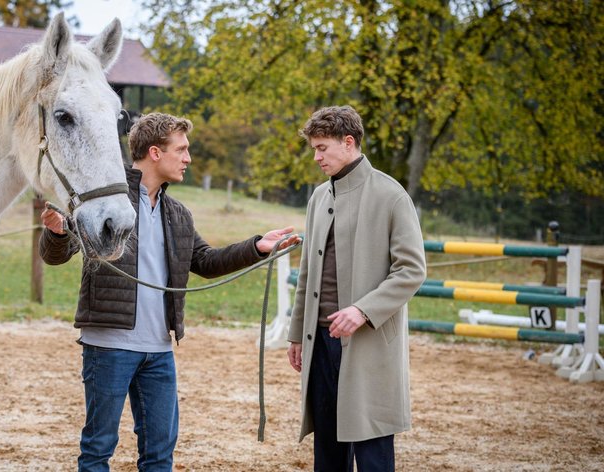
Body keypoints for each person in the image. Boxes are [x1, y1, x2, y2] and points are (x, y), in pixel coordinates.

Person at [39, 112, 300, 472]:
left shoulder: (178, 213)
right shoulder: (106, 202)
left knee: (160, 454)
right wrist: (55, 232)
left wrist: (257, 246)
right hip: (109, 346)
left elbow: (206, 262)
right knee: (98, 449)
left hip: (159, 351)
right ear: (155, 153)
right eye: (182, 149)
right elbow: (57, 254)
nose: (188, 158)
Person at [286, 105, 426, 472]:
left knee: (372, 452)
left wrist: (363, 310)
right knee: (328, 453)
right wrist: (297, 334)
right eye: (314, 148)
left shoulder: (392, 195)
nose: (316, 157)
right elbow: (307, 273)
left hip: (368, 344)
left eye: (322, 148)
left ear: (348, 143)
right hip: (319, 342)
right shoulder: (319, 197)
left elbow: (411, 270)